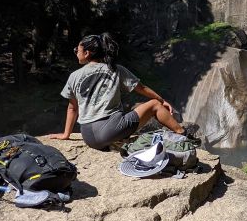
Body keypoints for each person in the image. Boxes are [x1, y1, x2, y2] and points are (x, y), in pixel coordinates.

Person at [51, 33, 188, 150]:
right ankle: (183, 135)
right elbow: (142, 88)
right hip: (110, 131)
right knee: (154, 105)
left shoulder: (74, 76)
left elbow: (72, 108)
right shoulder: (116, 69)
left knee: (129, 114)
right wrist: (162, 101)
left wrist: (66, 134)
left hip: (88, 137)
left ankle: (116, 140)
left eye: (77, 50)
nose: (76, 52)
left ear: (86, 53)